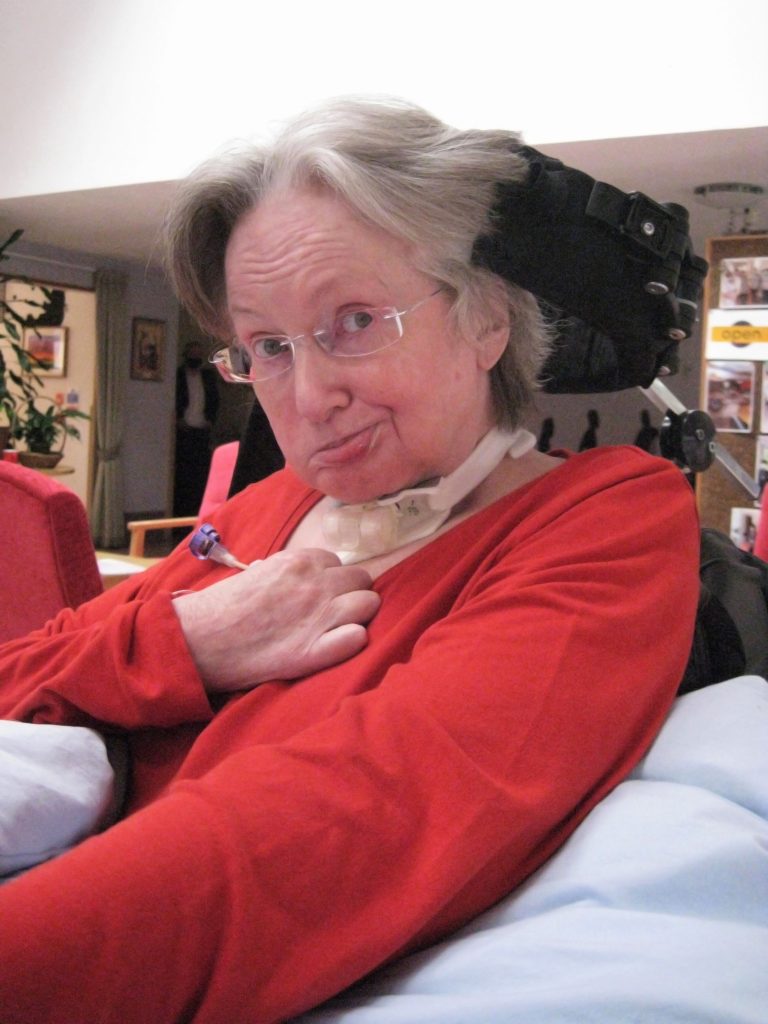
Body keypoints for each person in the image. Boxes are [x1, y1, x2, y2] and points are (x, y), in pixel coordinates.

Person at [0, 97, 700, 1023]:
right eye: (269, 348)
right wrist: (185, 639)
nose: (311, 395)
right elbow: (18, 677)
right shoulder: (271, 505)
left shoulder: (603, 516)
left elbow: (362, 813)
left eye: (357, 320)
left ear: (487, 320)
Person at [174, 339, 221, 516]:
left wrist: (210, 420)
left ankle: (198, 513)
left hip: (202, 430)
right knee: (183, 474)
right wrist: (178, 419)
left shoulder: (208, 377)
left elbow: (215, 400)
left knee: (201, 475)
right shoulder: (178, 375)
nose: (195, 357)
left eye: (198, 354)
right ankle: (180, 515)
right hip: (184, 430)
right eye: (192, 353)